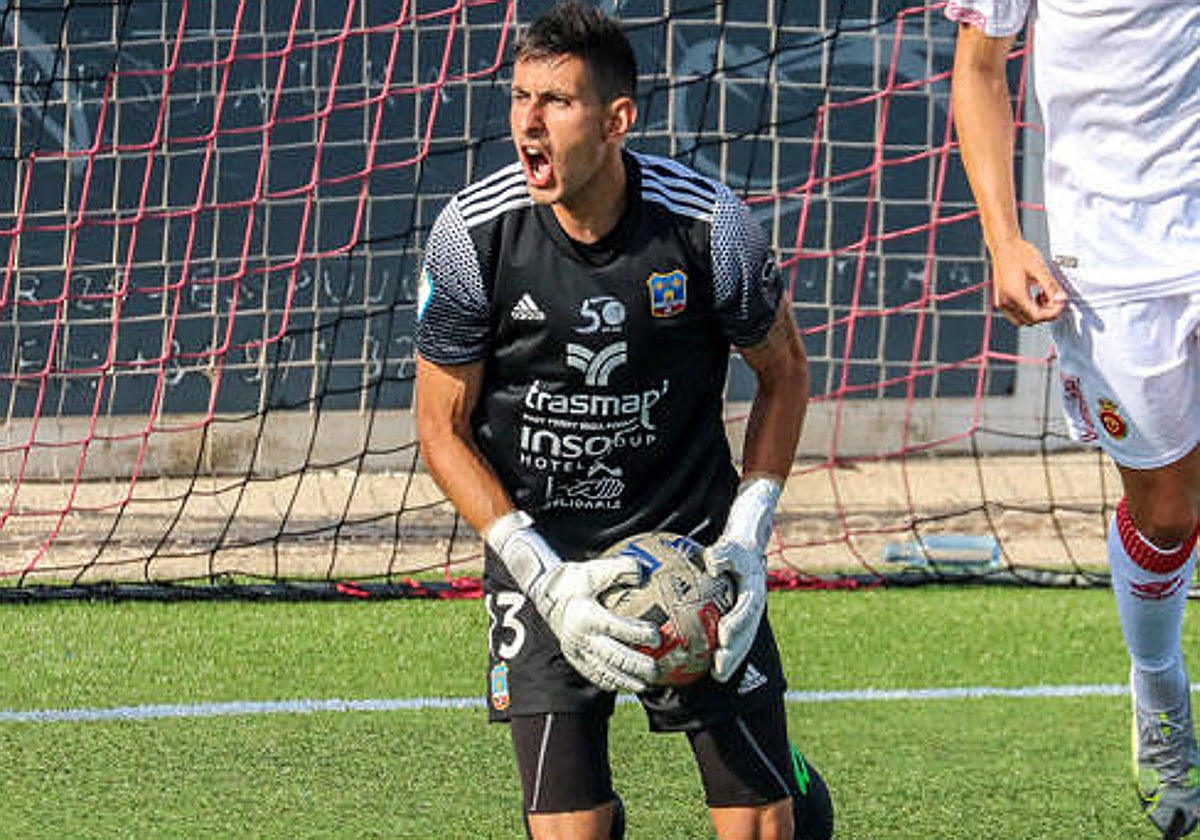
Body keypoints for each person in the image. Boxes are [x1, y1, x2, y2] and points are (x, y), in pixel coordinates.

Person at [413, 3, 834, 838]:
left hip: (692, 550)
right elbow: (440, 429)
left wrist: (746, 537)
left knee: (763, 827)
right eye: (520, 96)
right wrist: (540, 574)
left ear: (617, 121)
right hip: (544, 560)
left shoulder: (709, 228)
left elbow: (783, 375)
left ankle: (787, 782)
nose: (528, 123)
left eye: (556, 102)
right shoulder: (471, 236)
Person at [947, 1, 1200, 836]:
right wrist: (1002, 241)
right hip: (1116, 256)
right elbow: (980, 72)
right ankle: (1159, 686)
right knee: (1169, 515)